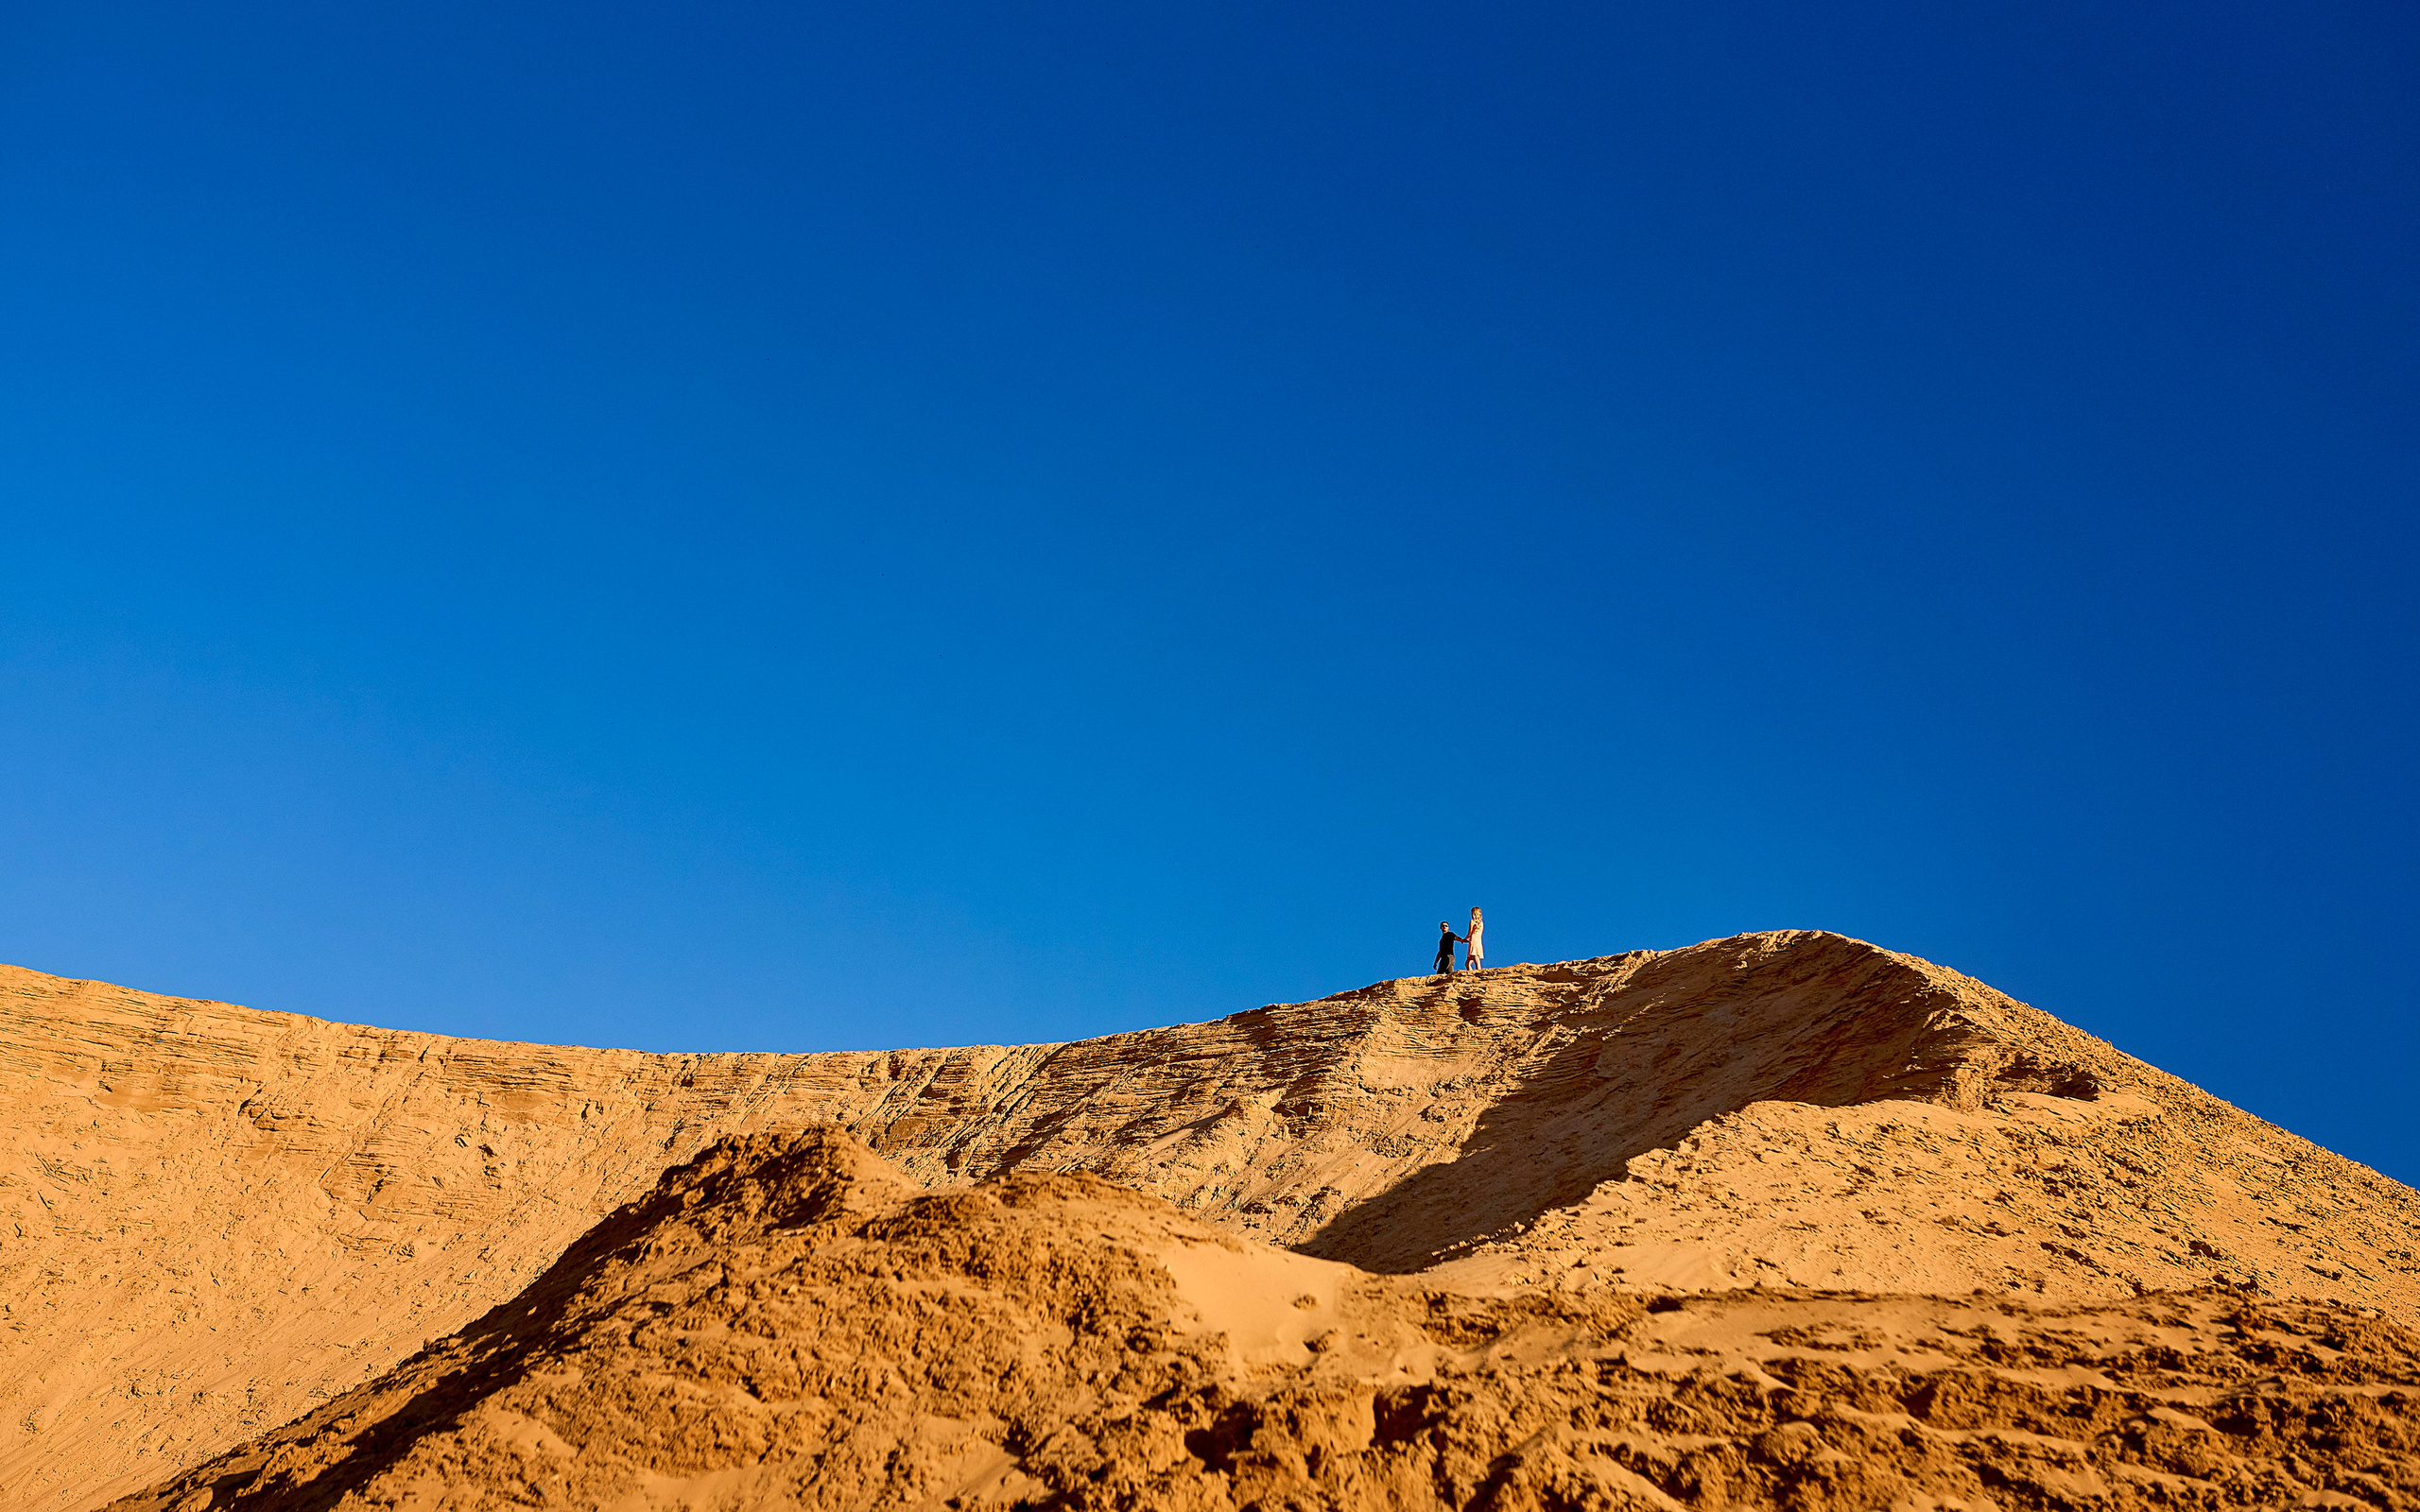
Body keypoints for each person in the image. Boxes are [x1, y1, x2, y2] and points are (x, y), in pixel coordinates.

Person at [1462, 907, 1484, 971]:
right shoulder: (1481, 923)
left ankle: (1479, 971)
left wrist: (1464, 939)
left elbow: (1469, 933)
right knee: (1468, 963)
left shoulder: (1472, 921)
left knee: (1475, 957)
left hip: (1473, 940)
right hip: (1478, 941)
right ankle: (1472, 973)